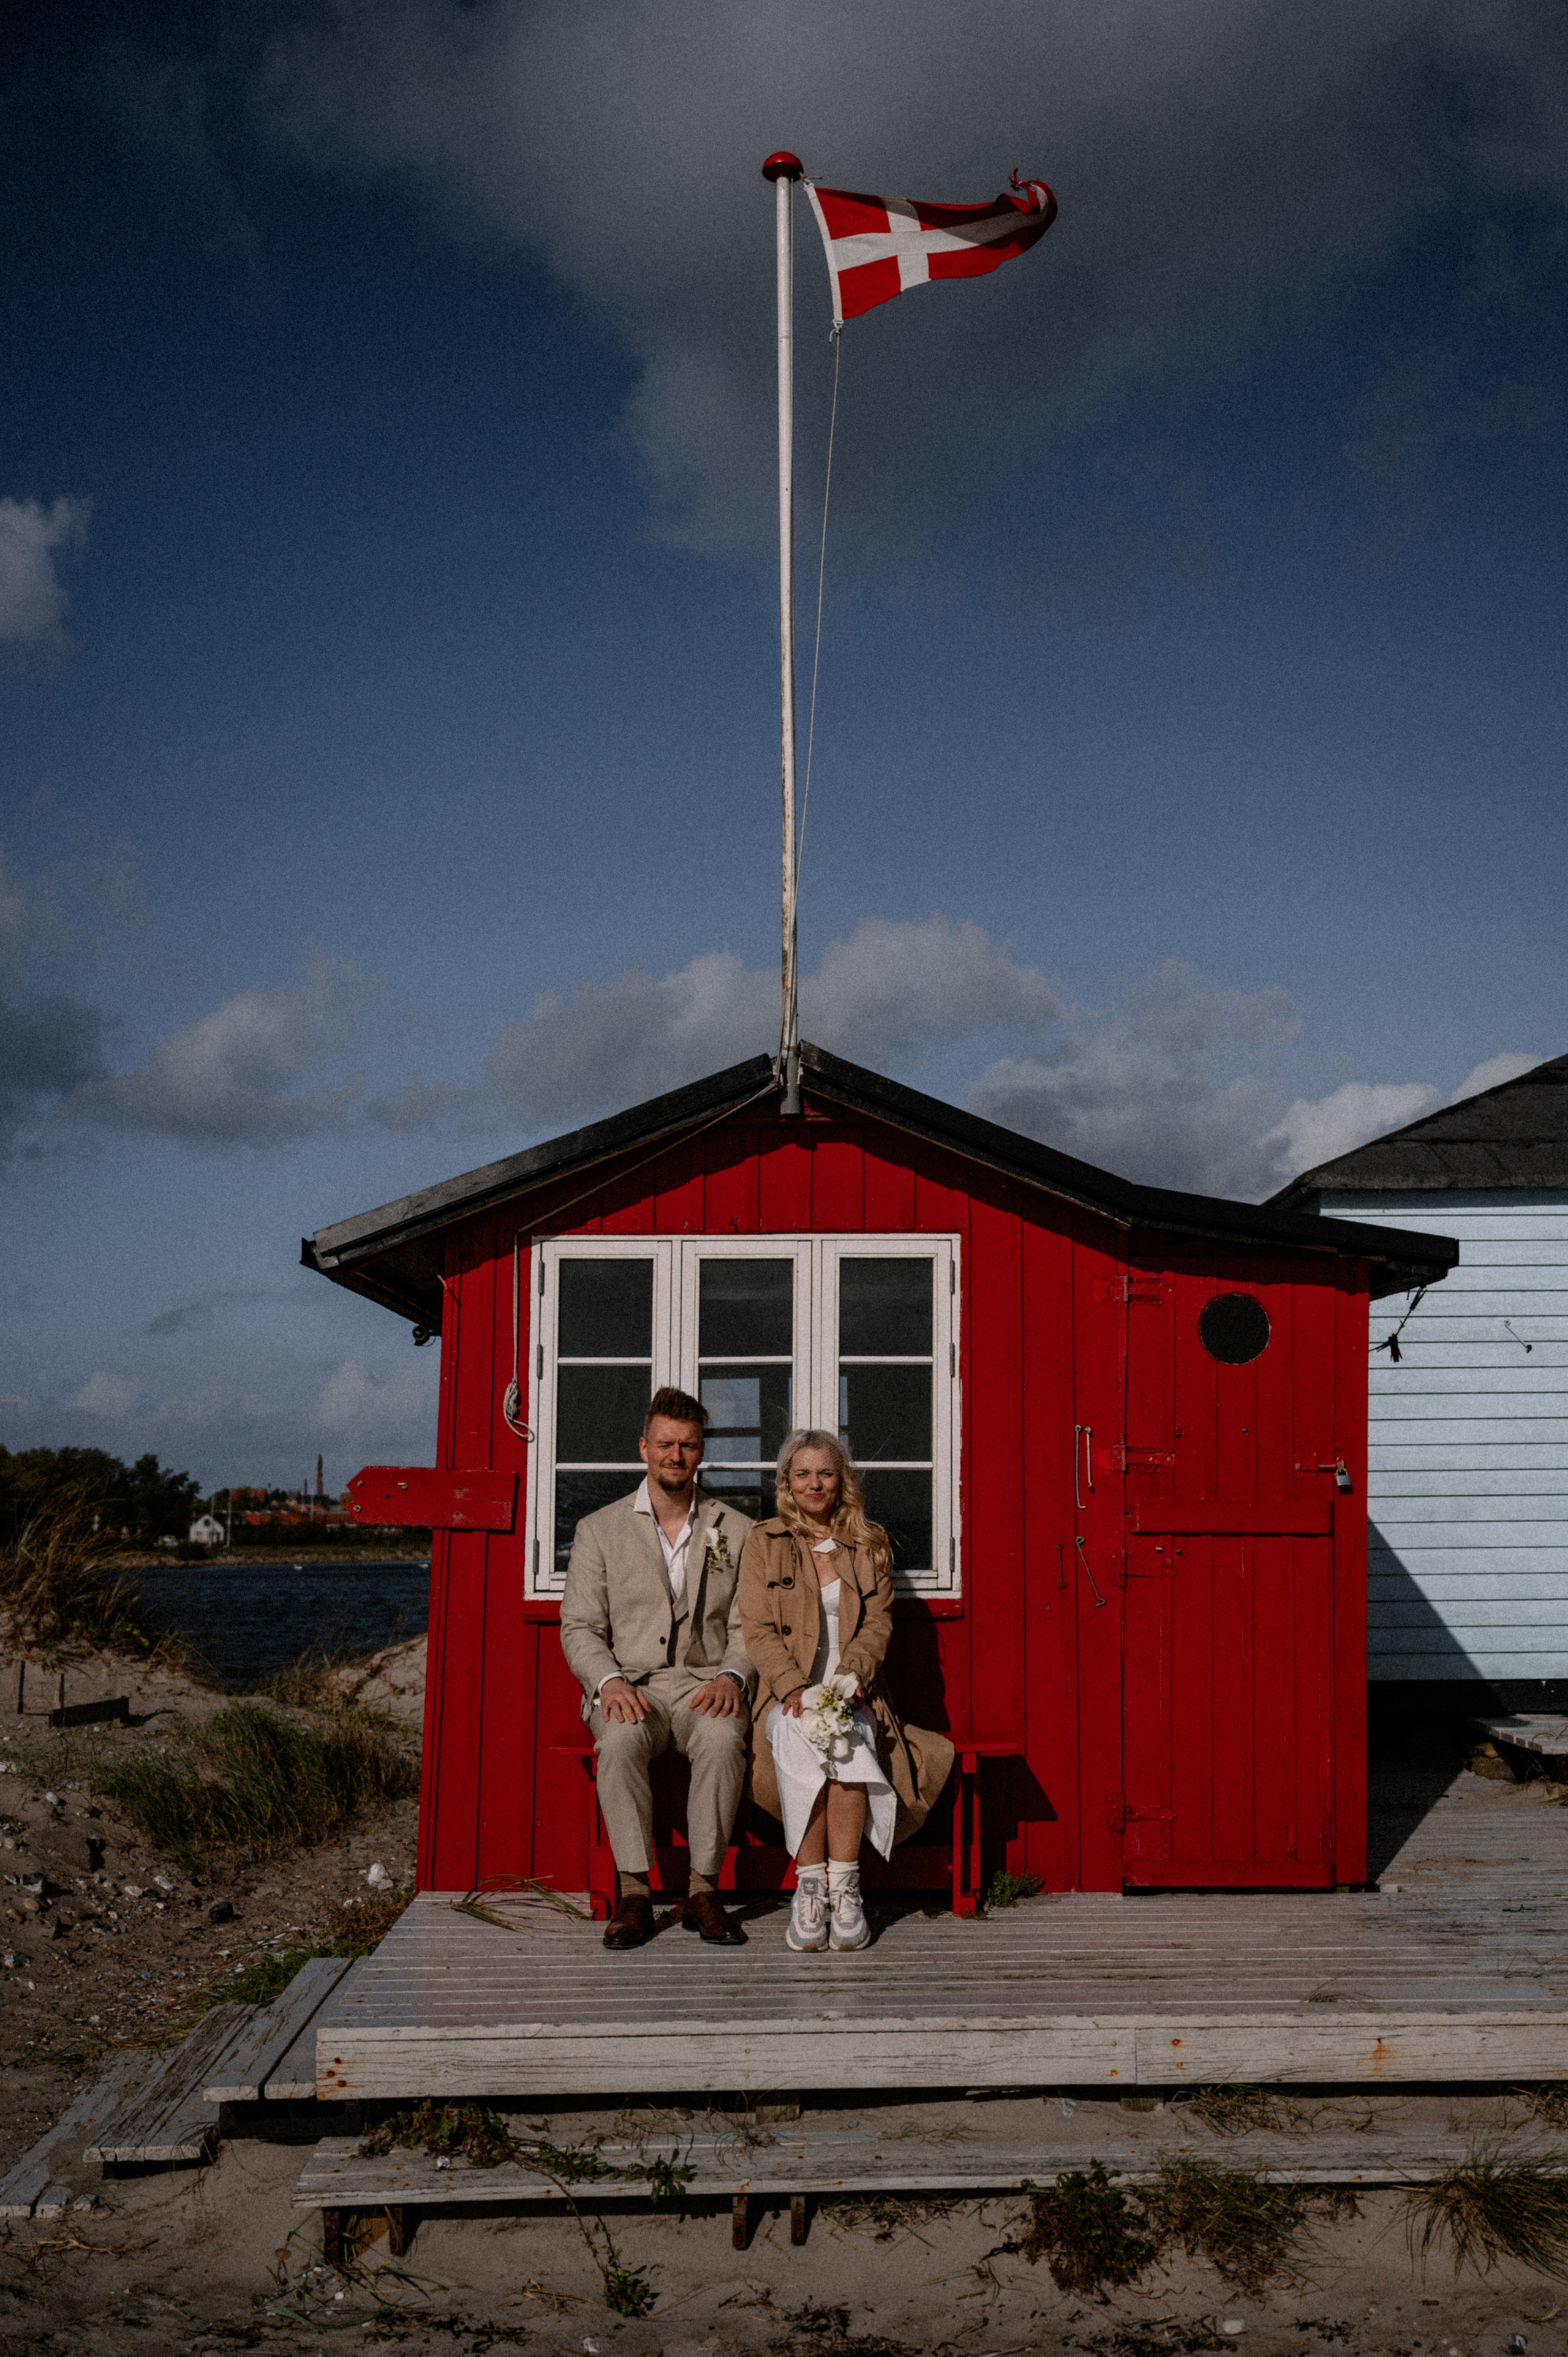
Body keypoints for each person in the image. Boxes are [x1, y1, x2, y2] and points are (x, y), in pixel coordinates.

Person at [737, 1430, 955, 1953]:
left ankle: (846, 1889)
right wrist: (793, 1687)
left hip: (854, 1690)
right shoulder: (764, 1542)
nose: (815, 1484)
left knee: (850, 1742)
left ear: (843, 1480)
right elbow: (757, 1628)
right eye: (803, 1474)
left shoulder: (870, 1542)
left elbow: (877, 1625)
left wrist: (853, 1678)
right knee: (797, 1740)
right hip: (787, 1692)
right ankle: (809, 1891)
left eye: (826, 1473)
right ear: (787, 1482)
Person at [560, 1387, 755, 1950]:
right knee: (618, 1744)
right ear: (644, 1447)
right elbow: (581, 1627)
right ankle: (635, 1894)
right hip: (630, 1686)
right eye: (666, 1444)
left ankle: (702, 1892)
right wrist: (609, 1682)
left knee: (723, 1741)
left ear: (701, 1453)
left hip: (705, 1686)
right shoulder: (600, 1529)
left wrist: (733, 1677)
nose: (676, 1456)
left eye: (688, 1446)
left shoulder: (735, 1530)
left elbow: (749, 1628)